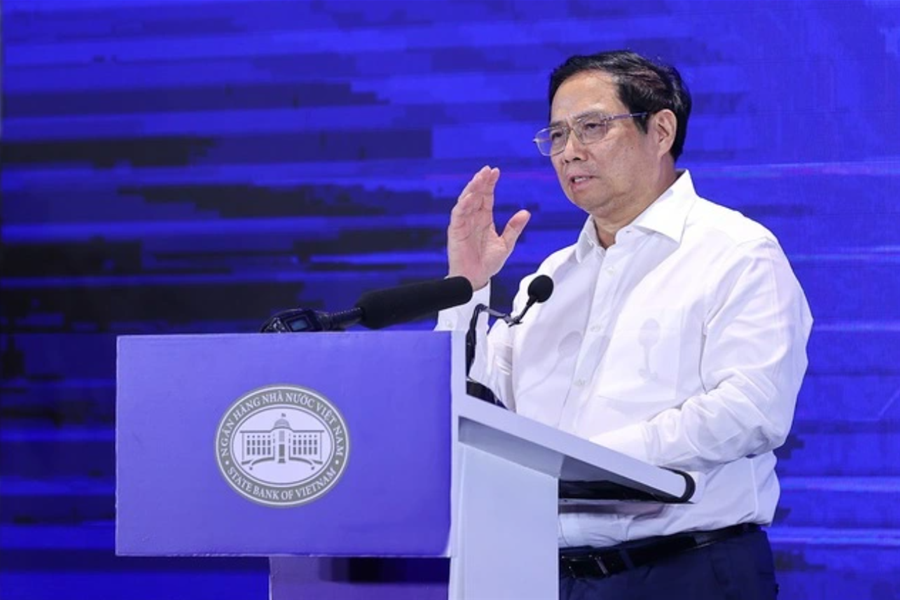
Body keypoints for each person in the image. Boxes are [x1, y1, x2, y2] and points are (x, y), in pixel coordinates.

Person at [436, 50, 812, 599]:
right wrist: (466, 287)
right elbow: (466, 410)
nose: (570, 151)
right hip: (542, 575)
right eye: (557, 135)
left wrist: (591, 459)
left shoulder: (736, 252)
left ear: (660, 131)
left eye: (592, 127)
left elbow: (752, 411)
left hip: (686, 572)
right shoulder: (552, 276)